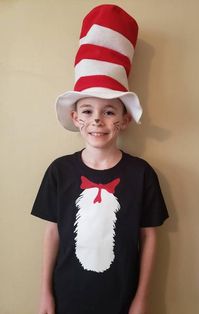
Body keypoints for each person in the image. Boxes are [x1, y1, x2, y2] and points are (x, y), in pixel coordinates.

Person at [31, 4, 169, 314]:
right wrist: (45, 294)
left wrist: (141, 299)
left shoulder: (141, 174)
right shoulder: (59, 171)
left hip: (121, 299)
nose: (97, 121)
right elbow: (52, 232)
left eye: (109, 111)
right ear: (75, 117)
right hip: (67, 297)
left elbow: (149, 237)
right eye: (88, 111)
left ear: (124, 120)